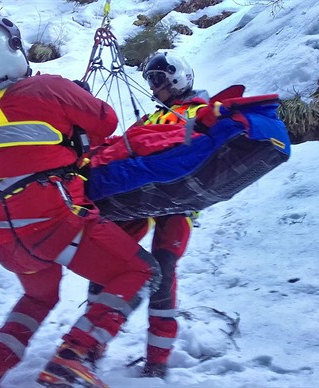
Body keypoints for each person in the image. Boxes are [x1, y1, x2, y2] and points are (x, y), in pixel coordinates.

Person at [0, 14, 162, 388]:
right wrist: (75, 98)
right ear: (11, 49)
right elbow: (105, 122)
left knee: (38, 298)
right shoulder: (50, 89)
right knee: (139, 272)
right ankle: (76, 355)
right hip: (53, 220)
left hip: (3, 238)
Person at [87, 51, 208, 378]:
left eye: (157, 80)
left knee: (164, 270)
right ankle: (89, 342)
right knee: (106, 262)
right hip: (141, 199)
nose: (153, 88)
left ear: (177, 76)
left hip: (178, 204)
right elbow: (126, 143)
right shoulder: (155, 116)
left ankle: (157, 360)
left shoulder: (199, 111)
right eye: (150, 81)